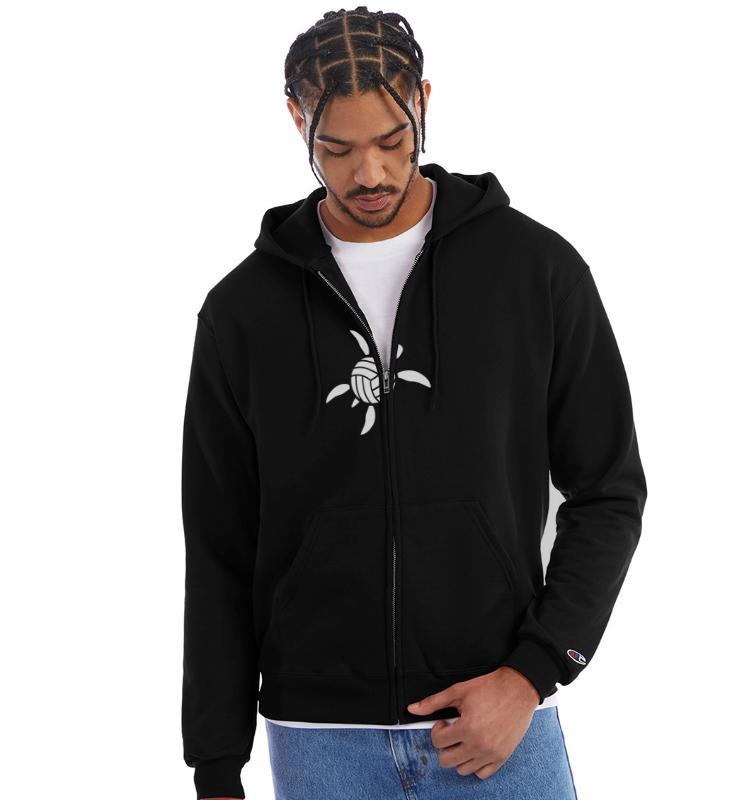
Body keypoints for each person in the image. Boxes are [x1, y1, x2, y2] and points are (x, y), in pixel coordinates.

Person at [180, 6, 647, 799]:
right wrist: (217, 765)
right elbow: (220, 544)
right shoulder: (243, 312)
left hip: (497, 726)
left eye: (393, 141)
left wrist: (534, 671)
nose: (369, 173)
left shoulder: (535, 272)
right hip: (319, 742)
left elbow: (609, 491)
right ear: (296, 117)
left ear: (423, 101)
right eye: (337, 148)